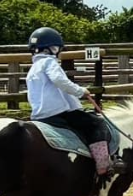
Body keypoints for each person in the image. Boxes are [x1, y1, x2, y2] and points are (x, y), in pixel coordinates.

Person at [27, 27, 125, 176]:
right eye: (57, 48)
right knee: (96, 123)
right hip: (58, 112)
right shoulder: (49, 62)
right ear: (52, 48)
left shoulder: (33, 69)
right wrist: (80, 91)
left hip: (40, 115)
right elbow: (59, 80)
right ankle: (103, 165)